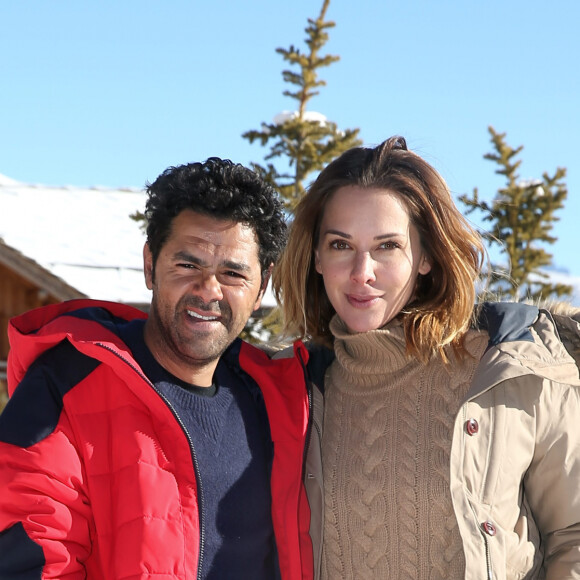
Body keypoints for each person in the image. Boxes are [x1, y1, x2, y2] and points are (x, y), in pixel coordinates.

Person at [272, 136, 580, 579]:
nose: (363, 273)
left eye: (387, 246)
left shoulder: (514, 367)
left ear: (426, 256)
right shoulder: (292, 391)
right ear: (316, 256)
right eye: (341, 245)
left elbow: (573, 534)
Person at [0, 158, 315, 579]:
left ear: (261, 286)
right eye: (188, 265)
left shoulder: (282, 404)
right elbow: (31, 555)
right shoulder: (66, 386)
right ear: (151, 264)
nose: (209, 291)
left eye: (233, 273)